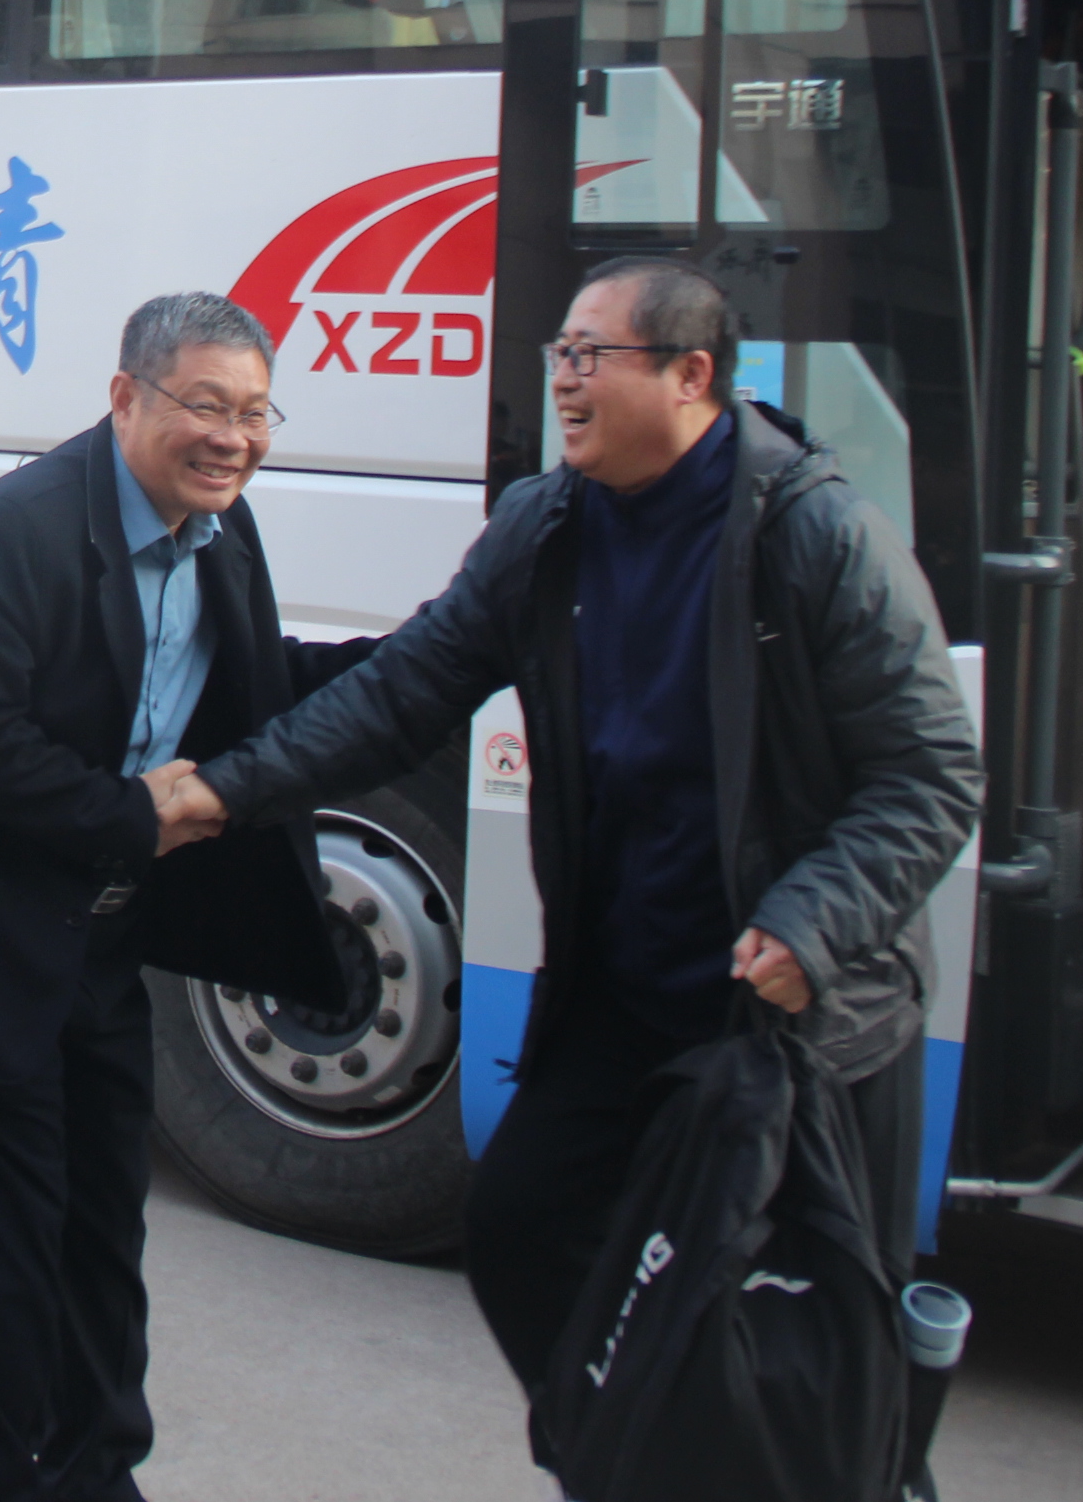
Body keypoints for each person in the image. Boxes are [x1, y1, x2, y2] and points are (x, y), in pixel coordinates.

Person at [161, 258, 981, 1486]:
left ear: (692, 376)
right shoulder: (549, 527)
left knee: (807, 1348)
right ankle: (624, 1464)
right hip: (625, 993)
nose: (565, 380)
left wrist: (810, 924)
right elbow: (405, 691)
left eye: (594, 356)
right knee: (523, 1228)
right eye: (562, 354)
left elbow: (932, 776)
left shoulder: (815, 536)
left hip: (791, 1026)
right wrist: (231, 788)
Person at [0, 290, 371, 1502]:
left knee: (103, 1237)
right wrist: (133, 816)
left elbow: (254, 673)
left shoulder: (218, 530)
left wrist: (420, 663)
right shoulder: (21, 529)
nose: (234, 438)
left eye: (257, 413)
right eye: (207, 405)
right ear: (126, 397)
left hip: (99, 945)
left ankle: (96, 1476)